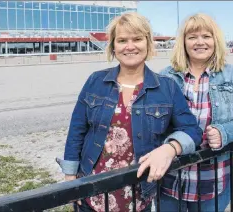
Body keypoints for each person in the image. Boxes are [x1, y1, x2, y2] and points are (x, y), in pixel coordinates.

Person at [56, 12, 203, 212]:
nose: (130, 46)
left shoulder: (167, 88)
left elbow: (192, 130)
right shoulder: (95, 81)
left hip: (138, 195)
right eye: (122, 40)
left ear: (148, 43)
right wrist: (70, 179)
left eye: (137, 39)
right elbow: (77, 130)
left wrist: (170, 148)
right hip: (91, 191)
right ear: (113, 46)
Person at [158, 13, 233, 212]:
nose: (200, 42)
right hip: (170, 177)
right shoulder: (166, 76)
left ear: (215, 40)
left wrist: (224, 132)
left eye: (206, 36)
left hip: (212, 178)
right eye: (192, 37)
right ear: (183, 42)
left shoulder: (231, 74)